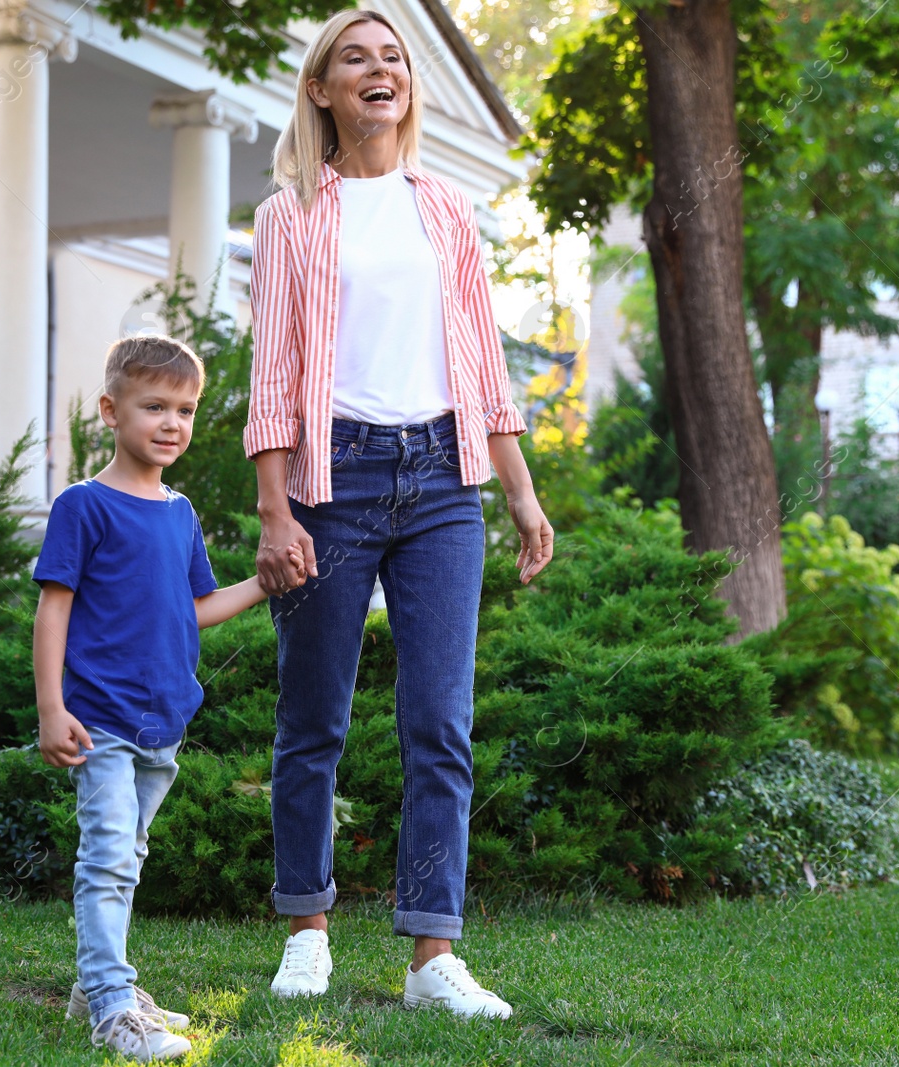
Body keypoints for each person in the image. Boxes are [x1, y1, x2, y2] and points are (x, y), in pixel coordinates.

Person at [244, 9, 555, 1020]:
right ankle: (306, 928)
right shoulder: (291, 212)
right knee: (313, 719)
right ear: (322, 90)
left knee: (438, 723)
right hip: (332, 476)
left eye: (394, 59)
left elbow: (481, 359)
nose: (379, 72)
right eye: (355, 60)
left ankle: (432, 955)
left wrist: (517, 487)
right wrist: (275, 507)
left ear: (406, 87)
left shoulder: (447, 209)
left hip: (440, 481)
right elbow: (275, 372)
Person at [33, 334, 303, 1062]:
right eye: (154, 405)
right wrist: (51, 708)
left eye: (184, 409)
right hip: (99, 720)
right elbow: (52, 609)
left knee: (130, 850)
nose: (172, 423)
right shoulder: (82, 506)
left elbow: (196, 607)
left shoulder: (179, 514)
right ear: (109, 410)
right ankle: (114, 1007)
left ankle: (96, 985)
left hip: (163, 720)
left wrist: (264, 584)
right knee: (110, 856)